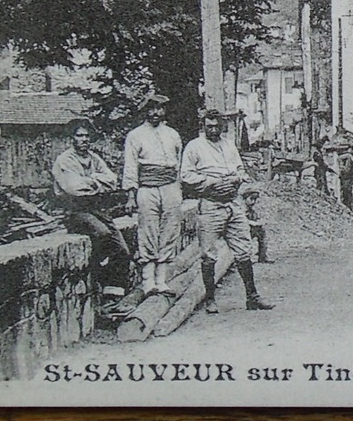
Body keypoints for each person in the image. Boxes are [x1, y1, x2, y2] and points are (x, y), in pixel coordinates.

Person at [181, 109, 275, 312]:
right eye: (209, 126)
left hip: (233, 203)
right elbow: (186, 176)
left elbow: (240, 169)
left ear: (222, 126)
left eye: (217, 126)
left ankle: (252, 297)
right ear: (203, 126)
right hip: (210, 203)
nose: (213, 129)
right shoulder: (194, 147)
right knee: (208, 254)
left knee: (243, 250)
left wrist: (236, 178)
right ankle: (210, 300)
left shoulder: (228, 144)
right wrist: (210, 181)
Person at [52, 119, 133, 315]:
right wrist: (97, 182)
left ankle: (112, 297)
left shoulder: (94, 158)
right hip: (75, 212)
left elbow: (112, 180)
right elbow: (74, 188)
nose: (84, 139)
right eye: (79, 135)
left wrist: (90, 182)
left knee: (122, 250)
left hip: (98, 210)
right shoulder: (64, 160)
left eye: (87, 136)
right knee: (103, 235)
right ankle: (100, 281)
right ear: (72, 138)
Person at [121, 91, 183, 297]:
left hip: (170, 186)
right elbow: (130, 167)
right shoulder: (135, 135)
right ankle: (148, 282)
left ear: (164, 111)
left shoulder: (173, 134)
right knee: (148, 231)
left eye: (159, 108)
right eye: (152, 108)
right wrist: (131, 195)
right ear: (145, 111)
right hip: (147, 187)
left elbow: (178, 164)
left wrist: (178, 188)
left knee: (169, 231)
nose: (156, 113)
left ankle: (162, 280)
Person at [242, 185, 271, 263]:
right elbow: (241, 220)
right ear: (245, 198)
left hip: (251, 228)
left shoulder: (252, 210)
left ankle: (262, 256)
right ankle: (246, 258)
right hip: (241, 230)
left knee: (262, 233)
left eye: (255, 199)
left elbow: (256, 218)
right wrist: (252, 223)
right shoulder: (240, 208)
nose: (253, 202)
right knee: (245, 239)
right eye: (251, 199)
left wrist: (259, 222)